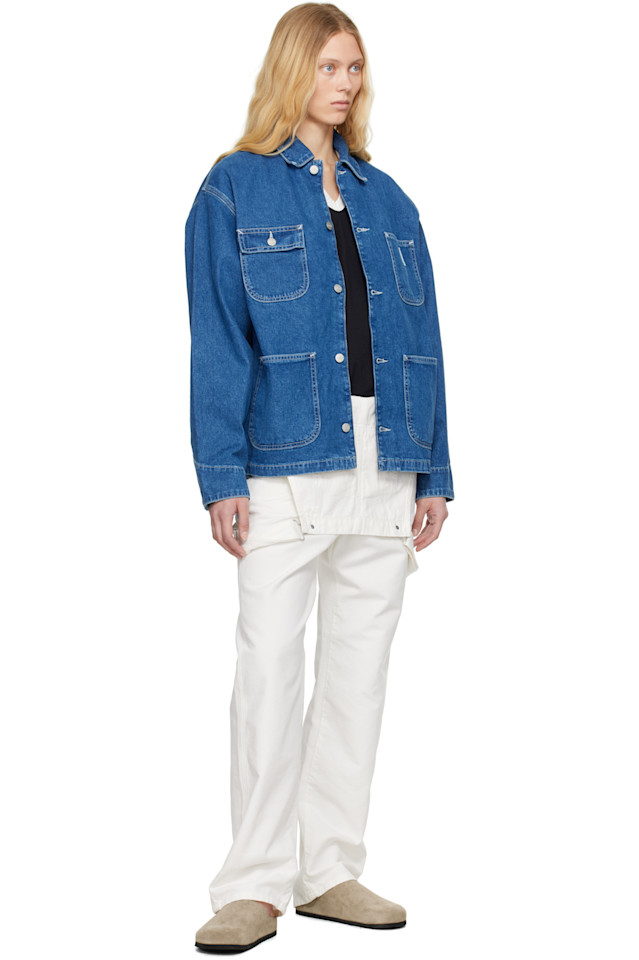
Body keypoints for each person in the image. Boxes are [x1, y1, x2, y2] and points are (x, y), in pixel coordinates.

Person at [184, 2, 455, 952]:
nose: (344, 83)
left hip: (388, 460)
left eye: (354, 68)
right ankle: (252, 886)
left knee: (357, 677)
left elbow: (423, 343)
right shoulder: (233, 188)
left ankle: (329, 868)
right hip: (281, 460)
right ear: (291, 70)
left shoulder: (390, 200)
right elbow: (218, 338)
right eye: (328, 66)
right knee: (267, 673)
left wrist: (435, 469)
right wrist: (219, 471)